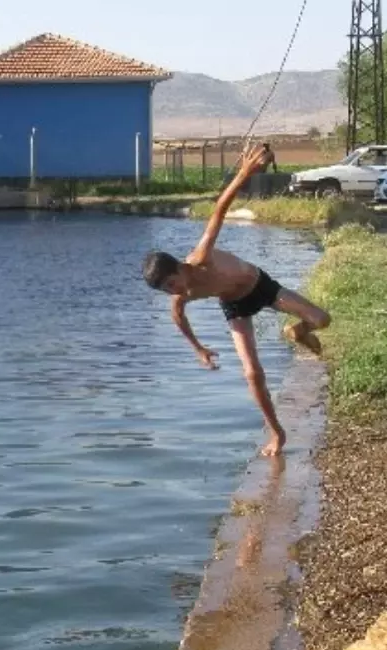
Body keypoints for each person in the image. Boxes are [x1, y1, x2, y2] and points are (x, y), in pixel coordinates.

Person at [141, 144, 331, 458]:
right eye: (165, 290)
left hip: (260, 286)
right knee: (252, 373)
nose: (174, 292)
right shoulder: (180, 298)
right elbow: (179, 319)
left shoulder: (200, 257)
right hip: (235, 306)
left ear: (180, 267)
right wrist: (199, 349)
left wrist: (244, 172)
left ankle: (296, 331)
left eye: (172, 283)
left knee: (322, 320)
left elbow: (219, 210)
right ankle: (277, 433)